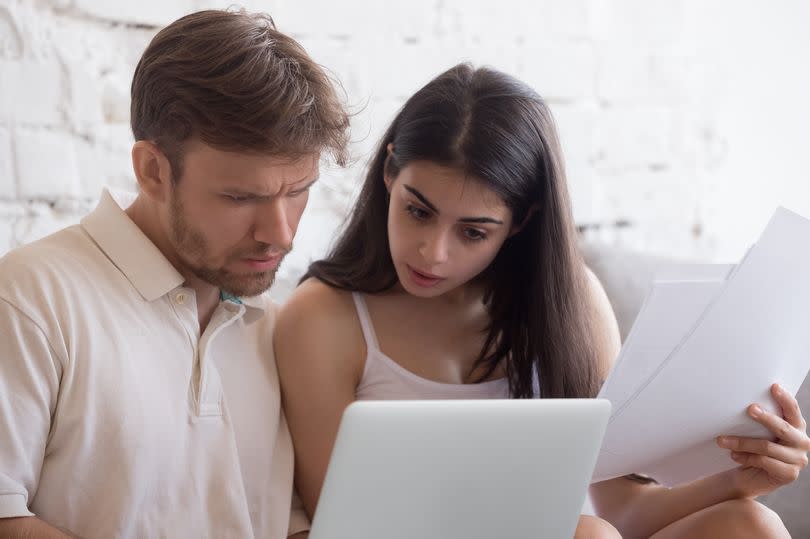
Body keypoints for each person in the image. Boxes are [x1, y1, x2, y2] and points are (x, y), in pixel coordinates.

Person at [274, 64, 809, 538]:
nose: (433, 253)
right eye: (418, 211)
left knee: (750, 523)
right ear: (390, 172)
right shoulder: (324, 317)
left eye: (474, 232)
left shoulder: (575, 304)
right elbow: (338, 523)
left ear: (520, 223)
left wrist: (739, 480)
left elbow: (623, 513)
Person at [0, 9, 348, 539]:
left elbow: (287, 521)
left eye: (297, 191)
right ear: (152, 171)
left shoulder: (280, 328)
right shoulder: (32, 298)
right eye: (241, 197)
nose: (280, 234)